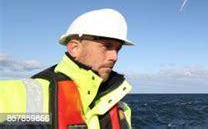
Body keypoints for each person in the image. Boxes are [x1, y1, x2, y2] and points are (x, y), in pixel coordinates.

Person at [0, 8, 134, 128]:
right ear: (74, 48)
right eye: (107, 46)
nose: (114, 57)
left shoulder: (121, 108)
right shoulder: (14, 94)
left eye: (118, 49)